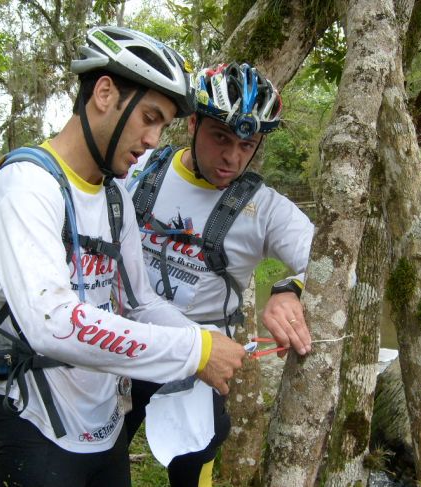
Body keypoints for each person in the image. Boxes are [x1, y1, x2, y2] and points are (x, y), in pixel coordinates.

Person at [0, 27, 245, 487]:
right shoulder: (25, 187)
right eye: (150, 117)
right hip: (36, 428)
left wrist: (205, 338)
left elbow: (140, 300)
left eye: (164, 126)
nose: (155, 139)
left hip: (104, 428)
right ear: (104, 93)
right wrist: (193, 351)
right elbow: (53, 323)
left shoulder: (114, 193)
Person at [123, 62, 315, 486]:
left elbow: (334, 265)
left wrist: (290, 288)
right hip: (125, 342)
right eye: (221, 138)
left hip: (201, 364)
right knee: (102, 459)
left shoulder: (264, 208)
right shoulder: (141, 169)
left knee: (191, 475)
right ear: (193, 124)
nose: (232, 157)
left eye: (248, 145)